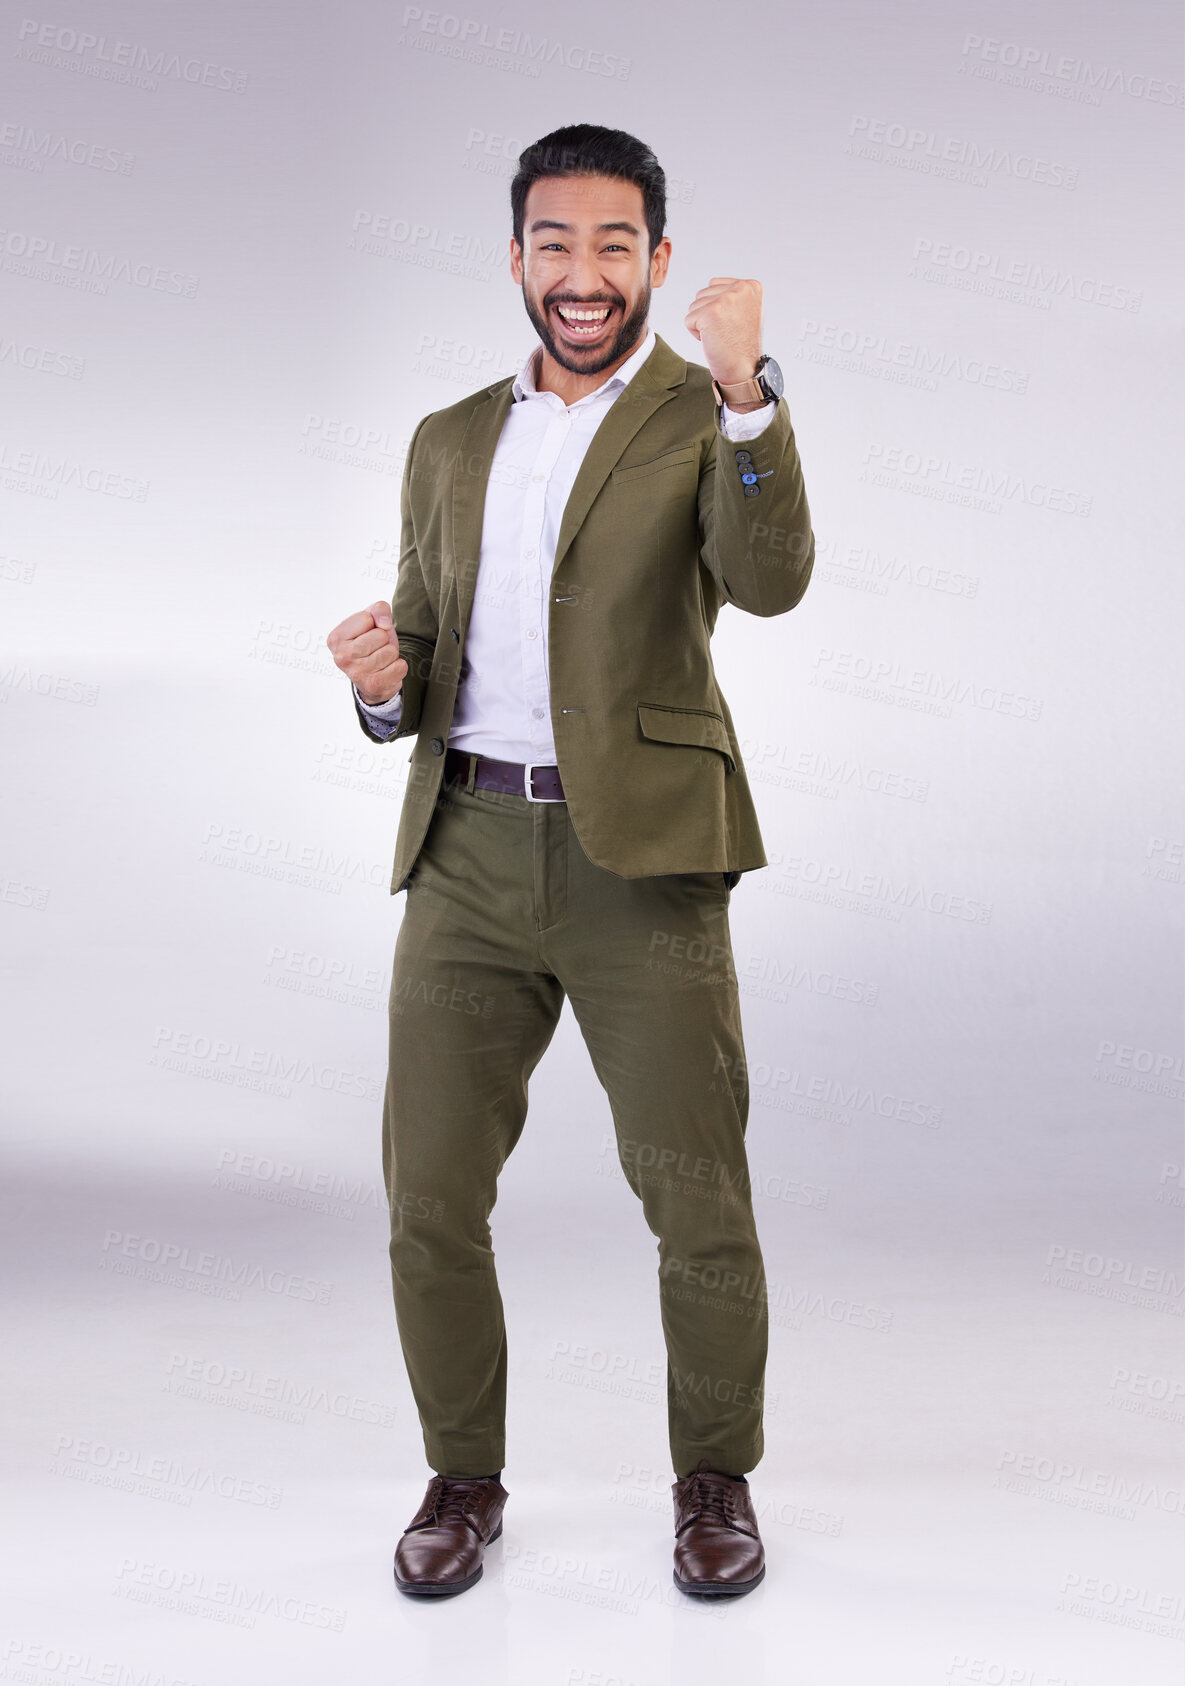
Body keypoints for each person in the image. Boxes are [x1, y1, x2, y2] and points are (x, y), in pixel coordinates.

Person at [326, 123, 814, 1600]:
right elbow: (419, 647)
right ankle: (461, 1477)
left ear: (655, 261)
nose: (584, 274)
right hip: (464, 847)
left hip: (642, 864)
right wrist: (374, 684)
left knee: (693, 1193)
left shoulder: (698, 412)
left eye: (615, 246)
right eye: (555, 244)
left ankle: (712, 1476)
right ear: (520, 260)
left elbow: (771, 579)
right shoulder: (448, 438)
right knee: (427, 1196)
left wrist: (746, 395)